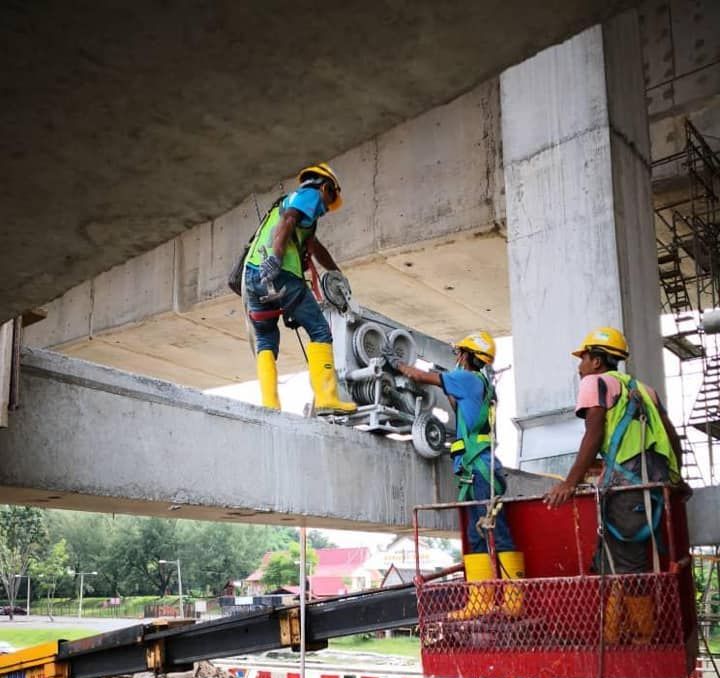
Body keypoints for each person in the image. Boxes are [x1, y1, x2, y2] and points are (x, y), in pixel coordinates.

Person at [385, 332, 524, 599]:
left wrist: (397, 363)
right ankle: (484, 601)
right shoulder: (482, 384)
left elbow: (419, 376)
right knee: (481, 533)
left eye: (460, 353)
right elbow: (459, 406)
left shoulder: (465, 378)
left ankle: (510, 600)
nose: (457, 357)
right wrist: (445, 381)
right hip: (480, 468)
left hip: (478, 469)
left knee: (495, 532)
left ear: (469, 356)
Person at [544, 326, 684, 577]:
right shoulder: (645, 389)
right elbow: (671, 437)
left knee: (627, 569)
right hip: (653, 484)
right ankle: (619, 618)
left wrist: (570, 482)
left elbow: (594, 433)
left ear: (596, 361)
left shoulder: (594, 382)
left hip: (626, 488)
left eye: (583, 360)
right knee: (619, 562)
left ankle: (642, 619)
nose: (579, 368)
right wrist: (677, 478)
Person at [243, 162, 356, 414]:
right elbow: (288, 220)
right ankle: (327, 398)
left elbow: (314, 247)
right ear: (325, 186)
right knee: (319, 330)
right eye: (331, 199)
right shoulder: (309, 195)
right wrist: (277, 256)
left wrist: (336, 272)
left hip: (253, 275)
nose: (326, 208)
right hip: (281, 273)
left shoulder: (287, 204)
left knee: (264, 338)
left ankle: (270, 405)